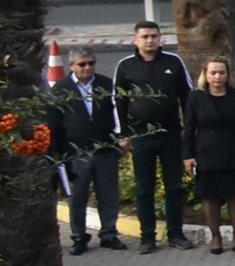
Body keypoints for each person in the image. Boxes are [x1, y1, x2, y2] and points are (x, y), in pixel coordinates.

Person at [116, 19, 193, 252]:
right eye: (145, 37)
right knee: (144, 189)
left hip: (170, 135)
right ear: (135, 40)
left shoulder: (173, 62)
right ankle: (147, 237)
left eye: (153, 36)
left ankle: (175, 234)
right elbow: (118, 101)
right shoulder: (126, 66)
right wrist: (123, 134)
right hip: (140, 137)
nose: (150, 40)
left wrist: (187, 130)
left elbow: (187, 97)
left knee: (175, 187)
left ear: (160, 39)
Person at [50, 48, 124, 254]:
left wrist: (119, 141)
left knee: (108, 196)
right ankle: (78, 236)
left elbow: (119, 114)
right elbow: (54, 123)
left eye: (91, 63)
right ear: (71, 65)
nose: (87, 68)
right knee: (77, 198)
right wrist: (58, 154)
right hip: (75, 154)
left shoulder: (106, 85)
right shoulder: (61, 89)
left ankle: (109, 234)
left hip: (105, 151)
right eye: (82, 64)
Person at [179, 57, 235, 253]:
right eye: (213, 73)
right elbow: (190, 128)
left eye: (221, 72)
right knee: (209, 196)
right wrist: (188, 156)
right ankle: (216, 236)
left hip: (233, 151)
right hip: (206, 153)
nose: (217, 76)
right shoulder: (196, 97)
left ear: (227, 75)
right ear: (206, 75)